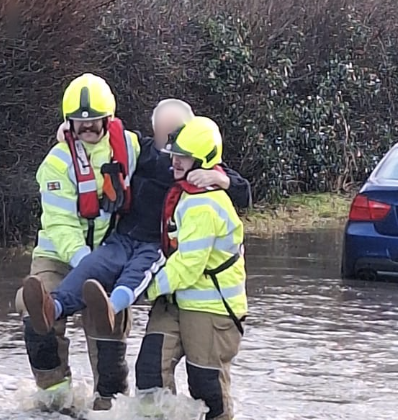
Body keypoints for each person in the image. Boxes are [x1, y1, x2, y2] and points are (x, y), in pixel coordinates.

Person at [21, 99, 250, 377]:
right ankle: (54, 306)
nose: (168, 144)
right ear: (153, 132)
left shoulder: (200, 162)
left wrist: (221, 179)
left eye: (174, 135)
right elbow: (107, 134)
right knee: (93, 265)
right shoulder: (141, 150)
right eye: (162, 135)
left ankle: (113, 307)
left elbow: (242, 192)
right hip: (124, 236)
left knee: (135, 274)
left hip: (156, 244)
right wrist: (69, 133)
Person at [15, 73, 141, 412]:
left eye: (93, 122)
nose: (86, 128)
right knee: (34, 308)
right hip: (58, 254)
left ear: (108, 119)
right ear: (68, 122)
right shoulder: (57, 162)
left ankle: (109, 403)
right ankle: (55, 396)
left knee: (109, 329)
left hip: (112, 253)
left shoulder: (130, 146)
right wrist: (86, 262)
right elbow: (60, 224)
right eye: (79, 122)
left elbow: (166, 166)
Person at [134, 115, 247, 420]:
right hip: (174, 301)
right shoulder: (182, 191)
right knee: (149, 372)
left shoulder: (206, 204)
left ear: (203, 161)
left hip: (211, 309)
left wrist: (143, 290)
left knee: (206, 388)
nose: (175, 161)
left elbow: (187, 267)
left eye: (183, 157)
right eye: (174, 154)